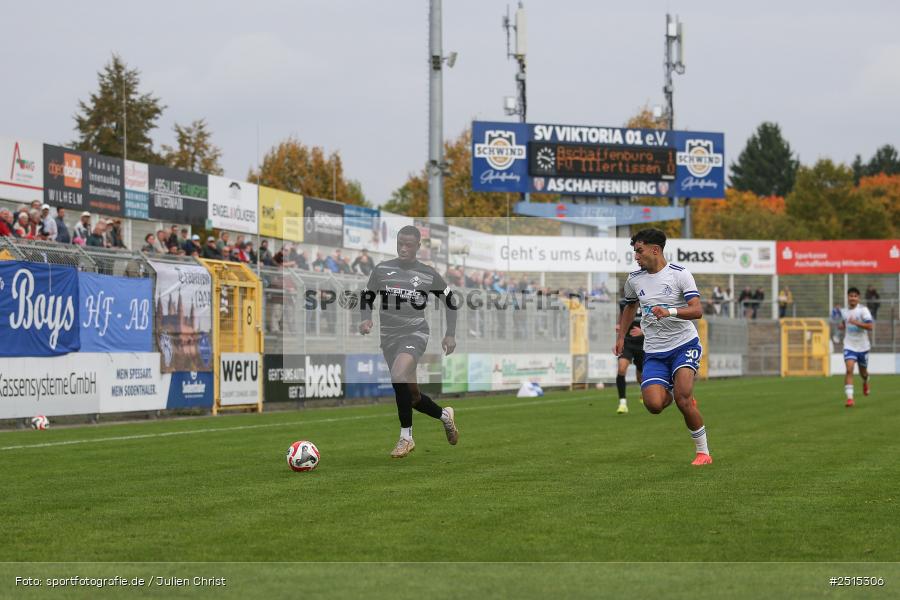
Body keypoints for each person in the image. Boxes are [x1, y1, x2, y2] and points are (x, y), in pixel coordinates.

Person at [359, 225, 459, 459]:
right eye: (400, 244)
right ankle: (445, 417)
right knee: (412, 396)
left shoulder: (428, 273)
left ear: (418, 246)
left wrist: (450, 333)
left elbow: (450, 301)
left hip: (415, 333)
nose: (403, 248)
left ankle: (406, 438)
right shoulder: (382, 269)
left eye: (408, 245)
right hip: (389, 337)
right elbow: (367, 297)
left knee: (398, 376)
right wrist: (365, 319)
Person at [615, 228, 711, 466]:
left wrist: (669, 311)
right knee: (654, 405)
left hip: (683, 344)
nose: (636, 257)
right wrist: (621, 336)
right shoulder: (634, 279)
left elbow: (697, 310)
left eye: (639, 251)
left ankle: (703, 453)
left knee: (683, 399)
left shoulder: (679, 274)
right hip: (655, 350)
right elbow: (629, 307)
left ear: (655, 250)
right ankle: (675, 391)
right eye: (634, 252)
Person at [838, 287, 874, 407]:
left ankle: (865, 381)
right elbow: (844, 322)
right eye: (850, 296)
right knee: (849, 369)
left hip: (863, 346)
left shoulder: (863, 310)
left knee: (863, 372)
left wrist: (857, 323)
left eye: (855, 296)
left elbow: (870, 326)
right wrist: (842, 326)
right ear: (847, 297)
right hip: (849, 345)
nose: (852, 298)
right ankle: (850, 398)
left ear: (858, 298)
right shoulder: (844, 311)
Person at [615, 298, 645, 415]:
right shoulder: (624, 303)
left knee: (641, 377)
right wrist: (619, 328)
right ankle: (622, 403)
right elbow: (622, 319)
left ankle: (644, 392)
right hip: (627, 342)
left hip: (643, 343)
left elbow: (657, 322)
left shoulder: (649, 300)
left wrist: (643, 331)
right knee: (621, 369)